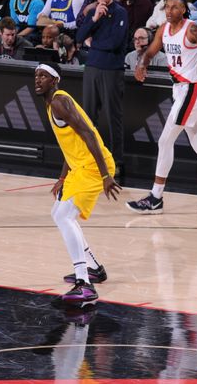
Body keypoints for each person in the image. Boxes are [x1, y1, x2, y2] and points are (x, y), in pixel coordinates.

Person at [128, 0, 197, 214]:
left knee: (164, 140)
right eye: (167, 7)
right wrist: (142, 63)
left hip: (193, 88)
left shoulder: (194, 30)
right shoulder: (163, 29)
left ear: (184, 10)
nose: (169, 10)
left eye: (175, 7)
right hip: (180, 88)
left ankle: (155, 197)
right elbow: (150, 52)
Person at [34, 63, 120, 306]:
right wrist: (62, 178)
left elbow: (90, 134)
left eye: (44, 76)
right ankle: (94, 268)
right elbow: (69, 145)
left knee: (64, 216)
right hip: (79, 167)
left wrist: (105, 175)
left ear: (55, 80)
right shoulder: (52, 103)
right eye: (36, 76)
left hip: (93, 166)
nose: (38, 80)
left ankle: (84, 284)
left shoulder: (60, 102)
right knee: (57, 213)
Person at [77, 0, 129, 174]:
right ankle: (91, 158)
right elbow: (79, 37)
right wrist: (95, 19)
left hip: (112, 69)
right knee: (88, 117)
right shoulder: (93, 12)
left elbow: (114, 43)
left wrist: (93, 43)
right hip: (92, 68)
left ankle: (117, 161)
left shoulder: (120, 12)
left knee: (113, 116)